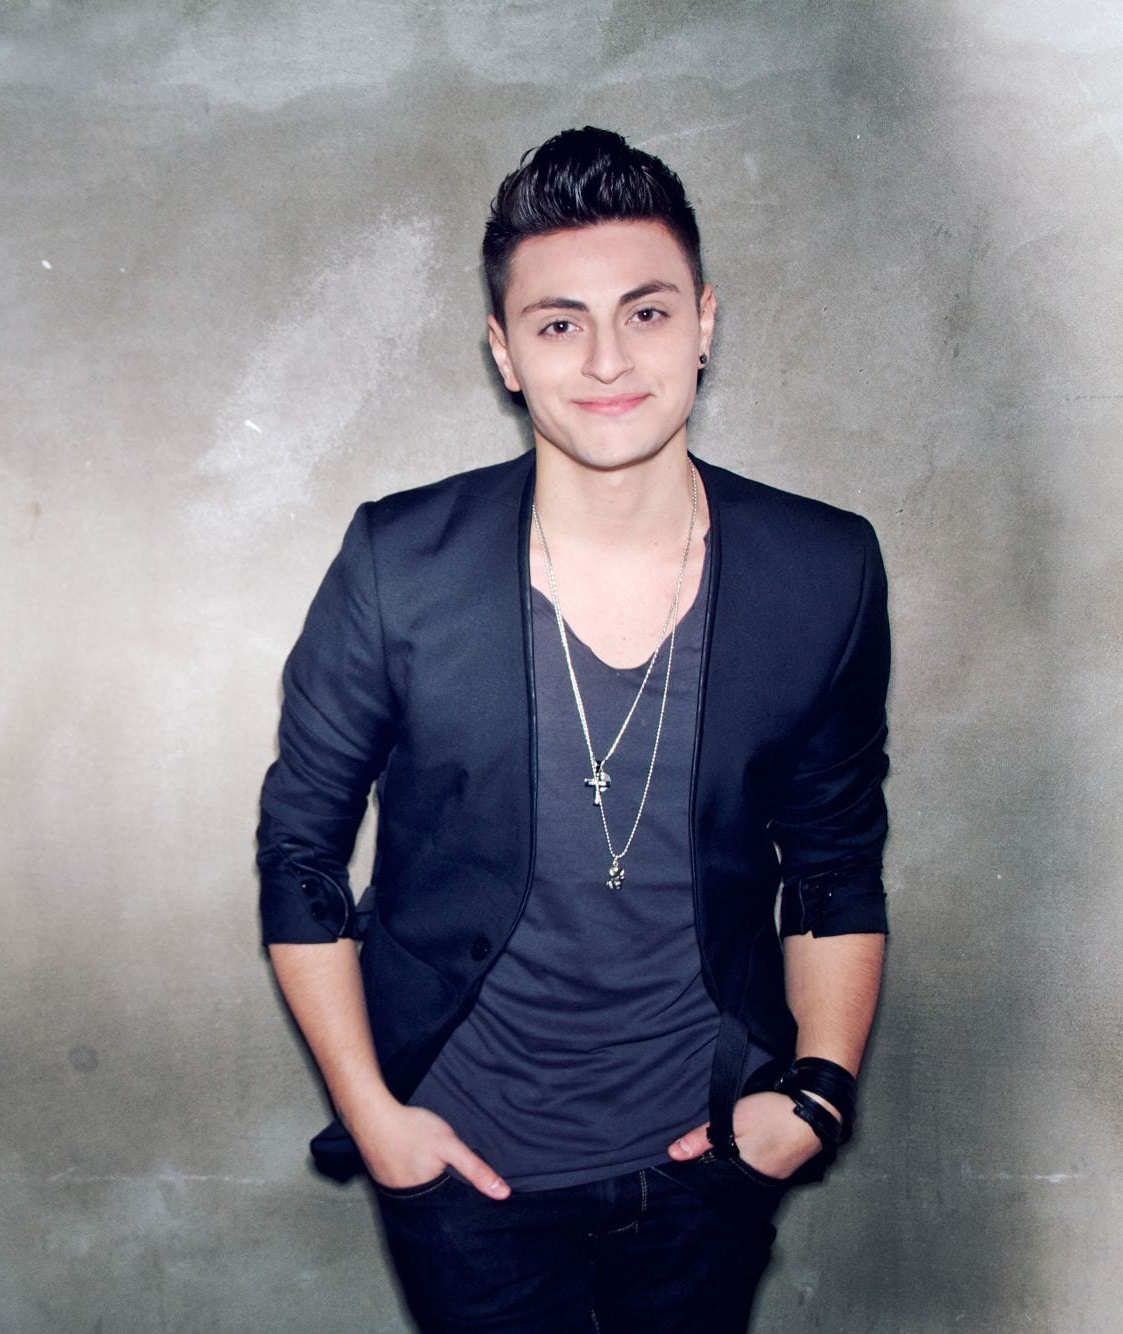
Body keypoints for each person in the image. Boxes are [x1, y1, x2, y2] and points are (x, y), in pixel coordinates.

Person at [256, 127, 890, 1332]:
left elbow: (833, 860)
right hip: (463, 1164)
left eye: (643, 313)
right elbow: (298, 854)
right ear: (503, 350)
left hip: (711, 1154)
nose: (606, 358)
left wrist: (812, 1095)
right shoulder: (400, 562)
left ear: (702, 322)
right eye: (557, 324)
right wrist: (374, 1115)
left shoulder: (821, 567)